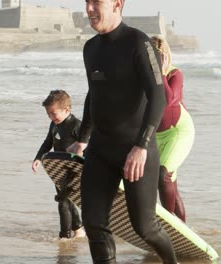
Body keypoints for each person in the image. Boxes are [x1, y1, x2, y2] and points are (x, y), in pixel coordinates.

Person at [67, 0, 178, 263]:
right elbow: (93, 96)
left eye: (96, 2)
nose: (90, 9)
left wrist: (141, 146)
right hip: (100, 151)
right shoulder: (90, 48)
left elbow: (158, 97)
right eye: (87, 2)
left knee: (145, 227)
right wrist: (82, 139)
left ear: (117, 4)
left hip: (136, 149)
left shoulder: (138, 43)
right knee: (94, 224)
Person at [32, 90, 87, 239]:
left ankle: (64, 236)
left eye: (53, 113)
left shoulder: (77, 126)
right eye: (48, 114)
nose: (50, 117)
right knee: (67, 200)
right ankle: (79, 229)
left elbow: (88, 147)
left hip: (74, 169)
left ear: (66, 110)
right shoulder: (54, 124)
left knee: (63, 201)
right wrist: (38, 158)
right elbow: (48, 142)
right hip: (59, 169)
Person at [151, 35, 195, 223]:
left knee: (163, 175)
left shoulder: (174, 74)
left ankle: (167, 224)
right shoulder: (144, 77)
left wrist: (160, 71)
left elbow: (168, 100)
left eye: (157, 55)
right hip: (157, 135)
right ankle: (183, 228)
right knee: (170, 183)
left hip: (178, 132)